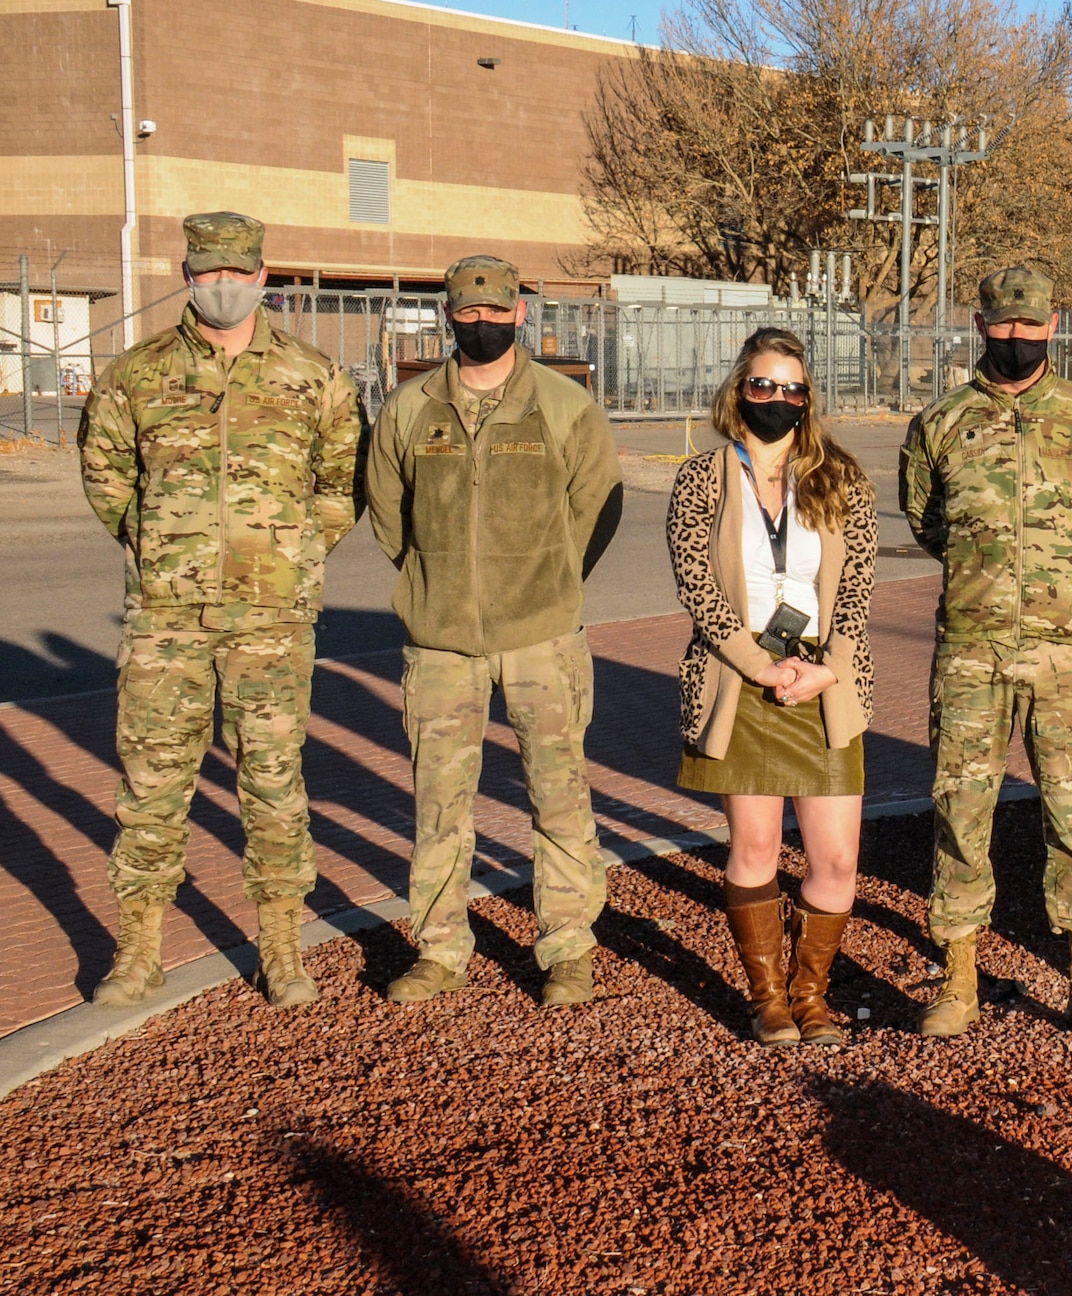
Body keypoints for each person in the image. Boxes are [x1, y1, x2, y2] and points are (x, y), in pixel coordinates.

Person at [79, 211, 364, 1010]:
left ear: (263, 276)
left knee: (274, 786)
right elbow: (106, 478)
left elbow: (341, 484)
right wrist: (158, 551)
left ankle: (281, 948)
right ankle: (137, 953)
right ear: (187, 273)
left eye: (239, 272)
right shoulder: (136, 374)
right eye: (210, 272)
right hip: (166, 622)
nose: (225, 286)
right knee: (151, 790)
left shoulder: (313, 377)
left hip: (272, 625)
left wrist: (297, 557)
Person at [365, 256, 623, 1008]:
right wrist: (434, 578)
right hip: (442, 641)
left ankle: (569, 946)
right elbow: (390, 514)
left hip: (543, 635)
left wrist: (549, 578)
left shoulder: (562, 405)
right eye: (466, 313)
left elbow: (594, 504)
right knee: (440, 802)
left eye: (494, 312)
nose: (480, 325)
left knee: (559, 793)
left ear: (519, 315)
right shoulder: (411, 408)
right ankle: (440, 949)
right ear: (448, 315)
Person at [900, 266, 1072, 1038]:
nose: (1016, 339)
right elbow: (928, 524)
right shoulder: (941, 423)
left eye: (1030, 326)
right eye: (1002, 325)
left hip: (1065, 652)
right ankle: (959, 973)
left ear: (1054, 324)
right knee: (961, 810)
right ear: (978, 323)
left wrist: (1051, 591)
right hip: (970, 649)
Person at [668, 327, 876, 1047]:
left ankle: (810, 994)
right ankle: (767, 998)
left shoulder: (841, 478)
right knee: (755, 850)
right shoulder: (702, 477)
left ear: (808, 399)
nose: (777, 399)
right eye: (764, 385)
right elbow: (696, 584)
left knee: (837, 860)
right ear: (739, 391)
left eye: (792, 388)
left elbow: (857, 588)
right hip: (740, 678)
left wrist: (828, 664)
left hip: (824, 683)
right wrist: (757, 664)